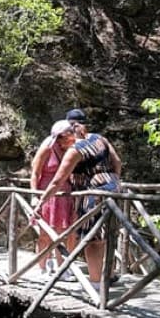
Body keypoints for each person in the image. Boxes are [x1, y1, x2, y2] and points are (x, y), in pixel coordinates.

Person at [34, 115, 122, 287]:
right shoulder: (99, 138)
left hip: (93, 194)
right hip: (115, 190)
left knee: (93, 239)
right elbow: (117, 162)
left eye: (59, 142)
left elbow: (57, 181)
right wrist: (113, 181)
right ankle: (109, 275)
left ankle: (96, 286)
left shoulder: (76, 149)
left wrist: (40, 202)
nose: (59, 146)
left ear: (67, 136)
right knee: (109, 234)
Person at [30, 120, 76, 273]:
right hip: (47, 194)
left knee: (65, 233)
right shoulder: (48, 147)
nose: (65, 141)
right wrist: (34, 195)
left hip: (66, 195)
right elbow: (35, 172)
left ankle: (63, 268)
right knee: (45, 234)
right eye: (62, 138)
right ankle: (43, 268)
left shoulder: (73, 147)